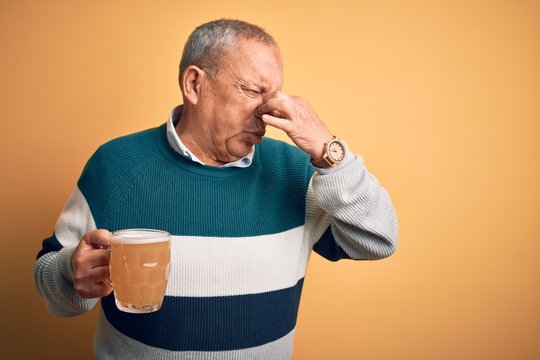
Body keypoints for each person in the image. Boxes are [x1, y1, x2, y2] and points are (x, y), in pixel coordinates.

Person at [33, 19, 398, 359]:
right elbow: (56, 290)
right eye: (252, 91)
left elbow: (378, 240)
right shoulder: (116, 165)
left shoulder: (299, 171)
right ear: (194, 84)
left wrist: (327, 149)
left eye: (274, 95)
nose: (268, 111)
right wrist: (69, 270)